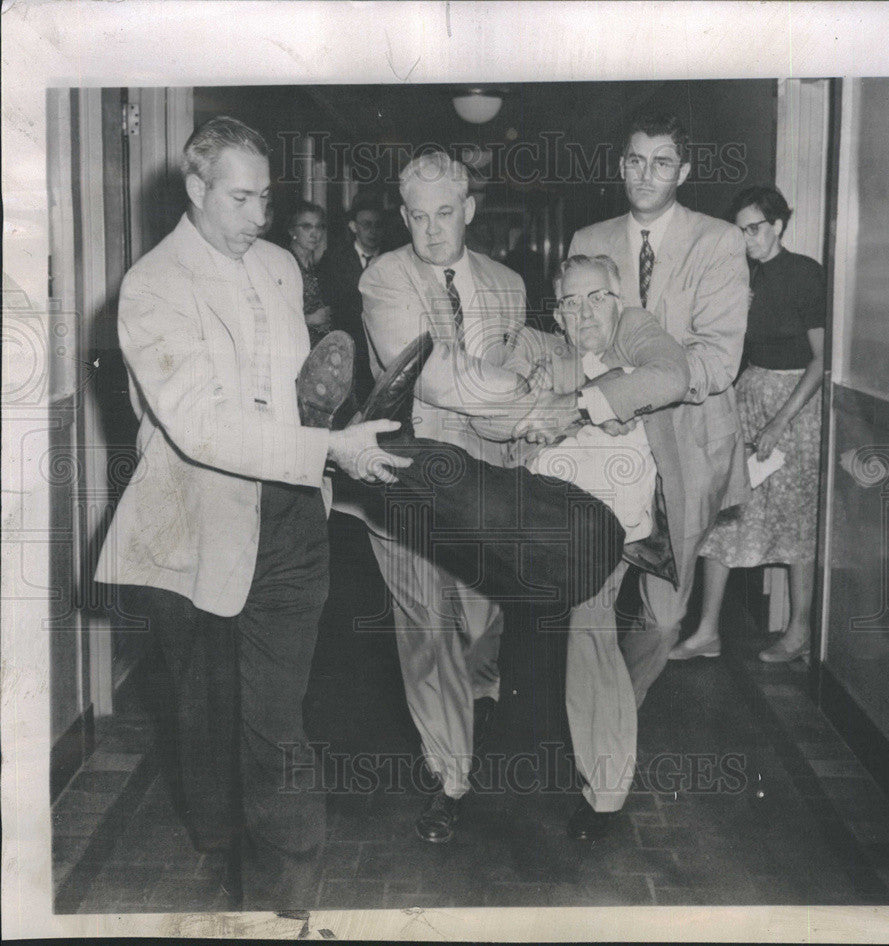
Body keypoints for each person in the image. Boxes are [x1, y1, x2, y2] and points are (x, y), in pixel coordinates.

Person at [93, 116, 410, 910]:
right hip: (197, 527)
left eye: (265, 198)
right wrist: (324, 451)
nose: (259, 219)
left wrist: (338, 421)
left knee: (275, 722)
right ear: (195, 190)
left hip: (293, 521)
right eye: (240, 199)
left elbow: (291, 393)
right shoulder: (153, 286)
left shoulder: (275, 267)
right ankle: (221, 839)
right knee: (205, 721)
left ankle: (289, 902)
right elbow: (201, 427)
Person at [359, 151, 551, 844]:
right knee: (427, 634)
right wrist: (536, 401)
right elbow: (438, 378)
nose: (433, 230)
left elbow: (519, 361)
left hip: (491, 486)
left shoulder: (506, 283)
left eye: (446, 212)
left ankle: (478, 695)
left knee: (484, 617)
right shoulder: (384, 278)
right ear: (402, 214)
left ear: (469, 209)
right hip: (408, 489)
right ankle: (450, 777)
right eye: (417, 215)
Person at [497, 254, 691, 839]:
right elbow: (508, 417)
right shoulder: (550, 357)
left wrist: (588, 403)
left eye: (596, 298)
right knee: (591, 639)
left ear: (618, 300)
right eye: (570, 302)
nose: (584, 311)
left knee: (663, 628)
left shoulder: (638, 345)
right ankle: (604, 786)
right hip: (591, 530)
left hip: (656, 523)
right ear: (558, 312)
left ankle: (609, 717)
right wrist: (539, 414)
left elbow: (671, 376)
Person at [568, 108, 750, 707]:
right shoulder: (588, 241)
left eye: (662, 162)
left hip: (687, 445)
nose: (646, 175)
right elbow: (577, 343)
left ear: (683, 171)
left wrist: (628, 388)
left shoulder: (719, 241)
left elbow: (718, 359)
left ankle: (619, 706)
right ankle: (599, 735)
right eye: (635, 161)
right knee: (589, 601)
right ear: (622, 166)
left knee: (666, 618)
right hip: (604, 448)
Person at [676, 186, 826, 663]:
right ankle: (706, 633)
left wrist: (781, 422)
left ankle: (799, 629)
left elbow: (822, 362)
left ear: (778, 225)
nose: (746, 239)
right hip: (748, 397)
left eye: (754, 228)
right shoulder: (743, 274)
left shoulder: (805, 273)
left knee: (797, 520)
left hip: (795, 408)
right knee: (725, 515)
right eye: (739, 230)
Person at [324, 193, 385, 399]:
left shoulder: (392, 261)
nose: (372, 231)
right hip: (348, 351)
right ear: (353, 226)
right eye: (366, 224)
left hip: (382, 351)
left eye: (377, 225)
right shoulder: (334, 260)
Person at [286, 199, 332, 348]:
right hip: (293, 346)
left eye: (319, 227)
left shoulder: (317, 265)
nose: (314, 233)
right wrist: (311, 319)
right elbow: (276, 316)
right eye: (307, 227)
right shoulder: (285, 263)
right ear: (292, 230)